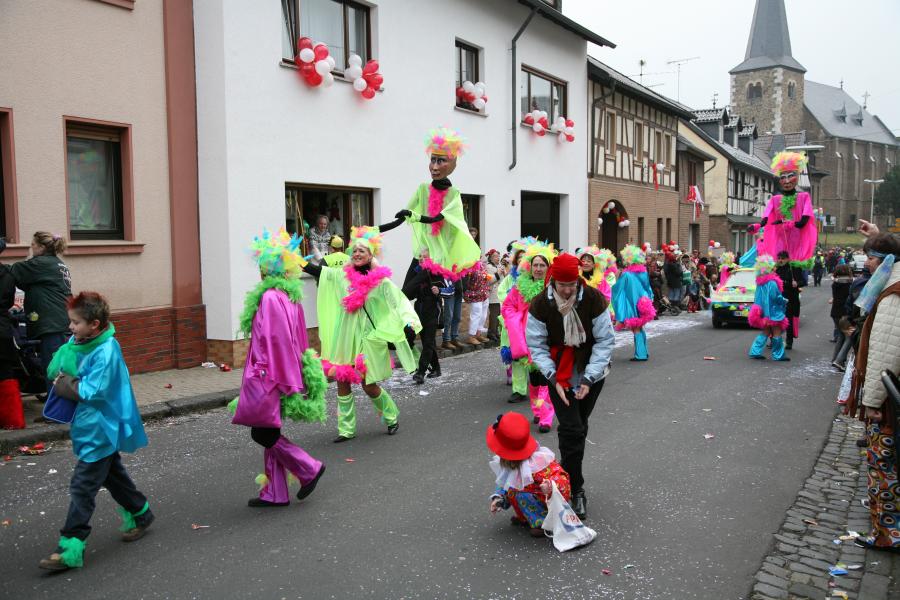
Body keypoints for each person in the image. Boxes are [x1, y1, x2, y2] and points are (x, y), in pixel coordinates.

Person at [38, 292, 152, 570]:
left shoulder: (106, 350)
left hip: (101, 427)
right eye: (71, 321)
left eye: (76, 322)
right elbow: (64, 368)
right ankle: (141, 513)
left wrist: (63, 382)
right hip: (87, 424)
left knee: (83, 485)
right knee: (113, 475)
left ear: (95, 324)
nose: (70, 327)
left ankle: (70, 545)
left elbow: (94, 390)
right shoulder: (79, 341)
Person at [229, 229, 327, 508]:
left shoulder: (271, 297)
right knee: (269, 431)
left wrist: (279, 378)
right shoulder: (287, 295)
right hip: (277, 373)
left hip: (268, 376)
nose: (260, 270)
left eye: (262, 265)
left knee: (262, 433)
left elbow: (277, 341)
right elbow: (298, 339)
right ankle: (275, 492)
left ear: (270, 268)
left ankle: (309, 468)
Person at [303, 226, 421, 443]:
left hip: (366, 337)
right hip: (345, 335)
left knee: (368, 385)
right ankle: (346, 429)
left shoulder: (379, 279)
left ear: (370, 255)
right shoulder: (343, 275)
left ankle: (391, 416)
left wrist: (408, 320)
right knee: (342, 381)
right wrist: (296, 261)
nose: (357, 254)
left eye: (362, 251)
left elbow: (397, 299)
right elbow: (321, 273)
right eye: (355, 250)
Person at [525, 252, 615, 520]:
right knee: (571, 429)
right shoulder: (541, 304)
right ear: (553, 280)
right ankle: (576, 489)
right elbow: (536, 345)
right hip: (559, 374)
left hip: (590, 372)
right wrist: (553, 378)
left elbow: (605, 341)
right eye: (562, 285)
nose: (567, 290)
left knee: (580, 426)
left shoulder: (594, 299)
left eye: (572, 285)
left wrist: (588, 378)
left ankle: (564, 475)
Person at [849, 233, 900, 552]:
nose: (866, 262)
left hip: (889, 401)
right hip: (891, 397)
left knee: (884, 465)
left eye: (870, 257)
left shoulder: (893, 294)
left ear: (886, 262)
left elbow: (885, 352)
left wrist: (871, 401)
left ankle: (888, 532)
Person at [393, 127, 481, 281]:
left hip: (441, 257)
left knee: (437, 292)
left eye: (441, 161)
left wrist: (413, 215)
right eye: (432, 160)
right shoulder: (423, 189)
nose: (434, 167)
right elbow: (402, 217)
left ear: (452, 164)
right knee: (407, 290)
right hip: (423, 253)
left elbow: (436, 218)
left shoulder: (454, 194)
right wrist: (377, 230)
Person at [3, 232, 72, 393]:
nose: (31, 248)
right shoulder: (57, 263)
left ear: (41, 247)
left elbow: (12, 270)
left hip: (52, 325)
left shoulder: (40, 263)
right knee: (58, 366)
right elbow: (29, 282)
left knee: (53, 368)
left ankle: (56, 405)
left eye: (33, 245)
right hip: (60, 321)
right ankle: (56, 403)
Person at [487, 411, 571, 537]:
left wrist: (550, 486)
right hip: (534, 497)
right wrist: (498, 498)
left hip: (548, 501)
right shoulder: (511, 464)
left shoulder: (537, 464)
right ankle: (527, 517)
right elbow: (505, 482)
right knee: (514, 490)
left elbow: (562, 480)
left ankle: (543, 523)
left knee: (520, 494)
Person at [502, 241, 556, 432]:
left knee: (545, 378)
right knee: (534, 379)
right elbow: (507, 306)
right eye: (535, 265)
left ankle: (546, 417)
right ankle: (537, 410)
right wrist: (516, 321)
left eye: (542, 265)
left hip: (548, 339)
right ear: (529, 267)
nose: (539, 269)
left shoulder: (554, 287)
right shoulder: (519, 286)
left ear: (548, 267)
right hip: (526, 338)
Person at [749, 152, 817, 270]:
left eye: (790, 176)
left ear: (797, 178)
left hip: (797, 244)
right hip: (780, 242)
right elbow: (765, 219)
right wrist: (756, 226)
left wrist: (788, 223)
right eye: (783, 177)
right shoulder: (775, 199)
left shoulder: (804, 197)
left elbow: (803, 222)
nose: (786, 181)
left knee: (795, 271)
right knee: (780, 269)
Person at [403, 247, 443, 384]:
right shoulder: (417, 272)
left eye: (425, 257)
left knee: (428, 341)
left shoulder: (437, 272)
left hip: (432, 309)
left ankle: (421, 372)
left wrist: (439, 291)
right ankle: (436, 368)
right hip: (418, 309)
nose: (421, 259)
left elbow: (450, 290)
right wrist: (418, 273)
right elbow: (407, 292)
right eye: (420, 257)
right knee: (424, 339)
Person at [612, 245, 656, 361]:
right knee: (640, 328)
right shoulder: (643, 273)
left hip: (632, 304)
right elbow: (648, 288)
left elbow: (618, 289)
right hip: (643, 303)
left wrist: (616, 278)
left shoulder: (626, 274)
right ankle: (644, 352)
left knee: (636, 329)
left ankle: (641, 355)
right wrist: (649, 298)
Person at [498, 240, 530, 390]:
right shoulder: (510, 278)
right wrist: (512, 307)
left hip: (528, 319)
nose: (521, 260)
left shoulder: (533, 276)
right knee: (512, 346)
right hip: (512, 319)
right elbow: (502, 293)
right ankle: (516, 382)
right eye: (519, 257)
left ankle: (533, 378)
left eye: (524, 257)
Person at [748, 255, 790, 361]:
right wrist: (784, 300)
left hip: (763, 313)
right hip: (773, 312)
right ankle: (778, 355)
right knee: (777, 332)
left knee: (765, 332)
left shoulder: (760, 282)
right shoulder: (772, 282)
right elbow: (775, 297)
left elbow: (757, 298)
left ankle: (755, 351)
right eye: (773, 267)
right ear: (769, 269)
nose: (775, 268)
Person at [0, 260, 23, 429]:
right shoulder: (7, 273)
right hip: (2, 328)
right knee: (5, 374)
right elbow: (9, 302)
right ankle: (12, 420)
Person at [775, 250, 804, 349]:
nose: (780, 260)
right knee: (776, 320)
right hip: (778, 299)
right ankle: (775, 339)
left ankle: (789, 341)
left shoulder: (794, 269)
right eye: (779, 258)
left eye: (783, 258)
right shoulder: (776, 269)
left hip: (791, 299)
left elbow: (803, 281)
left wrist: (797, 283)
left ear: (788, 259)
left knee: (789, 321)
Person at [463, 256, 492, 346]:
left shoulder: (482, 265)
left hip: (484, 294)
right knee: (476, 314)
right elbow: (466, 281)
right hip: (475, 294)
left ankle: (478, 334)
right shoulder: (469, 265)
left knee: (483, 315)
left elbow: (485, 278)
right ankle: (471, 336)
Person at [829, 264, 853, 348]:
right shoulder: (850, 284)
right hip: (846, 312)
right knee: (848, 337)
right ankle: (840, 356)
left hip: (835, 311)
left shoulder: (835, 284)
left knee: (841, 336)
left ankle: (836, 355)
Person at [484, 250, 505, 341]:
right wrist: (498, 273)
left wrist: (504, 273)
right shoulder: (488, 267)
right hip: (493, 294)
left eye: (498, 256)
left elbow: (503, 280)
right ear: (491, 257)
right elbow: (489, 281)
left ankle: (496, 332)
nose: (498, 258)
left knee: (499, 315)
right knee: (494, 315)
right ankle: (491, 333)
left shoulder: (499, 266)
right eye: (496, 256)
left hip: (500, 294)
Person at [439, 277, 463, 350]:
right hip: (449, 291)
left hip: (459, 291)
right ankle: (446, 340)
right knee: (448, 317)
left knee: (457, 317)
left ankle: (454, 338)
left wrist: (464, 288)